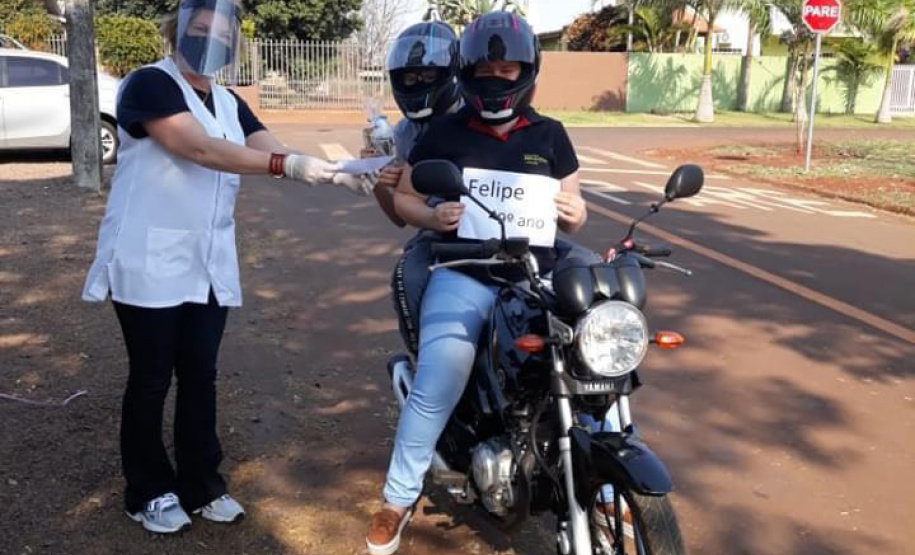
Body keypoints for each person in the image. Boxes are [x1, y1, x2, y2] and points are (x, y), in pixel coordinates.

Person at [81, 0, 370, 534]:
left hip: (207, 261)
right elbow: (201, 150)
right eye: (199, 28)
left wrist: (340, 171)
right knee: (150, 379)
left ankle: (201, 483)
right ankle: (146, 490)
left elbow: (271, 148)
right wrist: (289, 166)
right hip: (149, 259)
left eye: (220, 32)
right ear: (176, 30)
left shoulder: (229, 102)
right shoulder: (149, 84)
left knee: (201, 375)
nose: (209, 39)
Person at [365, 12, 588, 555]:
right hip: (465, 271)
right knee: (441, 373)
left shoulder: (550, 134)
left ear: (527, 71)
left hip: (535, 276)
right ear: (467, 71)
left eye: (506, 67)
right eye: (485, 68)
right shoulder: (444, 132)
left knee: (585, 357)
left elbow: (575, 203)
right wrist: (431, 218)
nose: (495, 78)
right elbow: (406, 198)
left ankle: (592, 473)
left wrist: (574, 212)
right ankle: (397, 497)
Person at [360, 21, 462, 353]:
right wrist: (377, 178)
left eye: (428, 76)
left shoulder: (474, 116)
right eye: (409, 77)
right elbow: (400, 218)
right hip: (437, 236)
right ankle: (424, 360)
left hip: (498, 228)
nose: (418, 84)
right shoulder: (403, 133)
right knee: (409, 277)